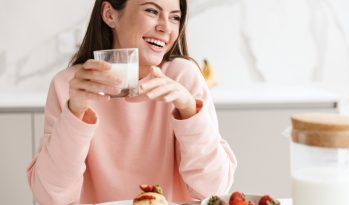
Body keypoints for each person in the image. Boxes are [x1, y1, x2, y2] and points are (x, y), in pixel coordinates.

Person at [27, 0, 237, 204]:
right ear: (110, 14)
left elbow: (213, 190)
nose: (166, 27)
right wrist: (75, 113)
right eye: (152, 11)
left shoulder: (183, 77)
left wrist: (189, 111)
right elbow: (51, 197)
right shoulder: (68, 85)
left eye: (174, 17)